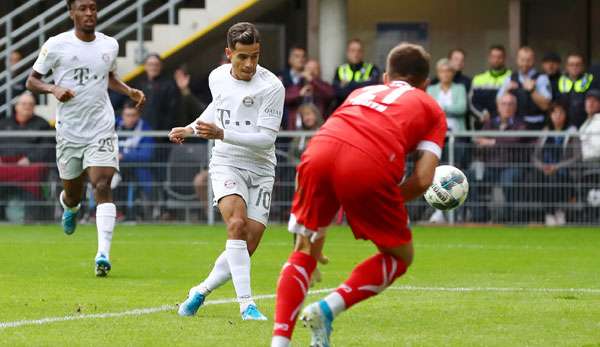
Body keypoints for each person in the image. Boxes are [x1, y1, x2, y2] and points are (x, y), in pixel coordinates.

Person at [270, 43, 447, 347]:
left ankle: (279, 343)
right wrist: (382, 199)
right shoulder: (431, 108)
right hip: (368, 163)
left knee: (303, 249)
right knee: (401, 256)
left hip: (319, 150)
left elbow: (340, 147)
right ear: (426, 84)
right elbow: (422, 179)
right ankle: (327, 310)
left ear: (386, 77)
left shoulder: (360, 92)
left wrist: (321, 233)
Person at [168, 22, 284, 320]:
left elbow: (266, 139)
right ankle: (247, 305)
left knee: (249, 243)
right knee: (236, 225)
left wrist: (221, 133)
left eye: (255, 57)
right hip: (227, 161)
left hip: (261, 167)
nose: (249, 64)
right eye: (242, 57)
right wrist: (192, 128)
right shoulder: (216, 77)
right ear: (228, 53)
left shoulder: (272, 87)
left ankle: (200, 291)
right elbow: (217, 110)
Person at [25, 0, 146, 276]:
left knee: (102, 184)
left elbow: (109, 77)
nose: (89, 13)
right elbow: (32, 81)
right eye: (82, 8)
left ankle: (102, 254)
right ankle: (70, 205)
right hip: (69, 131)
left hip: (101, 127)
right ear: (71, 12)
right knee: (74, 191)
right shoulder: (56, 44)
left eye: (93, 7)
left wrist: (129, 92)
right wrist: (52, 88)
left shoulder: (109, 44)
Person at [470, 93, 527, 222]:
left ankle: (508, 218)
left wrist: (492, 142)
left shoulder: (520, 124)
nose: (507, 107)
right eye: (503, 104)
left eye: (510, 104)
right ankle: (479, 217)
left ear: (515, 107)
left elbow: (515, 140)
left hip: (512, 165)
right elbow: (481, 141)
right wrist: (480, 146)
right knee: (469, 178)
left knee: (508, 181)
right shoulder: (490, 123)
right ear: (498, 106)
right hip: (490, 165)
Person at [0, 92, 53, 221]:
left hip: (29, 166)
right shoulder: (3, 123)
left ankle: (33, 218)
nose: (27, 107)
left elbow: (47, 148)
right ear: (16, 106)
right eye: (24, 104)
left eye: (31, 104)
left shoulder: (43, 124)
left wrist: (30, 159)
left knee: (36, 173)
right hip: (3, 164)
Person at [531, 102, 579, 226]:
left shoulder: (572, 132)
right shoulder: (545, 132)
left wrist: (556, 167)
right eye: (554, 112)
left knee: (555, 179)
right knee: (535, 179)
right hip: (544, 170)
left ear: (566, 115)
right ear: (550, 115)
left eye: (561, 113)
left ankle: (558, 211)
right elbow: (535, 156)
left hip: (565, 171)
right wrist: (543, 167)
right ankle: (549, 213)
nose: (557, 116)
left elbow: (577, 156)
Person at [114, 100, 155, 220]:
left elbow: (146, 155)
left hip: (136, 170)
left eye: (133, 115)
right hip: (113, 167)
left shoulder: (145, 129)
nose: (130, 119)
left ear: (138, 116)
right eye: (127, 115)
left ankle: (131, 213)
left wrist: (123, 156)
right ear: (122, 116)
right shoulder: (112, 126)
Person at [497, 46, 552, 130]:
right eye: (522, 60)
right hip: (514, 125)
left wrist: (532, 91)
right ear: (517, 60)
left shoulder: (541, 78)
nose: (525, 63)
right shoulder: (510, 78)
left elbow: (546, 106)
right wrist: (506, 91)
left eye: (528, 60)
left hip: (536, 125)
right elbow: (498, 103)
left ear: (533, 60)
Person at [469, 45, 511, 129]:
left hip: (505, 124)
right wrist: (482, 113)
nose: (496, 60)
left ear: (504, 59)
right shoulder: (478, 79)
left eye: (499, 57)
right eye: (493, 57)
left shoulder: (511, 77)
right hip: (482, 122)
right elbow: (472, 102)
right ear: (489, 58)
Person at [135, 53, 179, 131]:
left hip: (162, 131)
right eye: (150, 64)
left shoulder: (169, 85)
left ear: (161, 66)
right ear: (145, 66)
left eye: (156, 65)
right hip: (141, 129)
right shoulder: (140, 84)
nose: (153, 67)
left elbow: (173, 111)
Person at [332, 38, 380, 107]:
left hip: (364, 108)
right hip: (345, 108)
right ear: (347, 53)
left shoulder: (372, 68)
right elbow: (337, 92)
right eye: (352, 51)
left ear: (362, 53)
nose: (356, 54)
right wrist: (363, 84)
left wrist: (347, 84)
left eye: (359, 51)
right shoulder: (340, 69)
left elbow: (373, 89)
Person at [558, 53, 594, 128]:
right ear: (566, 67)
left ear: (583, 66)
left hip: (586, 124)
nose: (574, 67)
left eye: (578, 64)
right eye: (571, 64)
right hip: (564, 125)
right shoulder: (560, 81)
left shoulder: (590, 80)